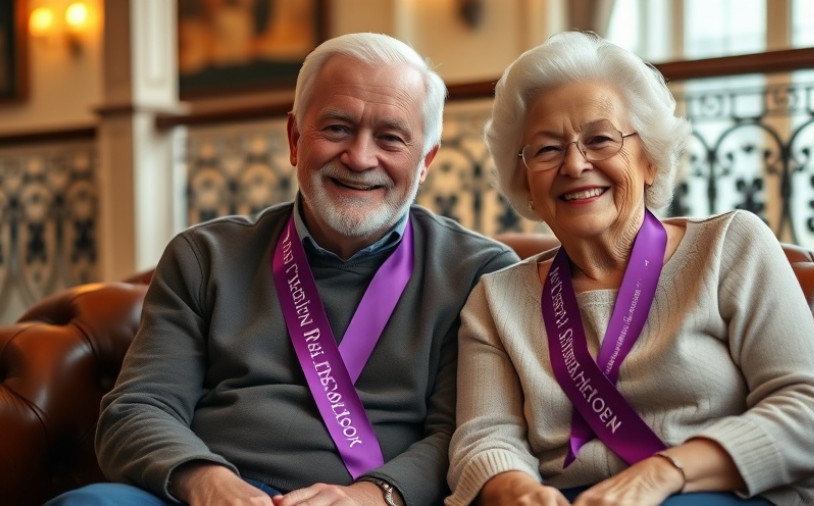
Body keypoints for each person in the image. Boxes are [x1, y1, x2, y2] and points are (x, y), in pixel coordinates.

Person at [46, 32, 518, 506]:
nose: (358, 157)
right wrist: (209, 483)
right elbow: (138, 409)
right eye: (336, 128)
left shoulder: (479, 272)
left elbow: (464, 435)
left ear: (425, 162)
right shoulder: (203, 256)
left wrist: (375, 496)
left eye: (390, 138)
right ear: (295, 139)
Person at [445, 31, 814, 506]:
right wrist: (516, 490)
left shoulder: (730, 246)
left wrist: (663, 473)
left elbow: (813, 414)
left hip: (729, 493)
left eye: (599, 139)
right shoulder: (495, 299)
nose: (575, 164)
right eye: (548, 149)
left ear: (650, 160)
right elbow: (483, 438)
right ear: (526, 185)